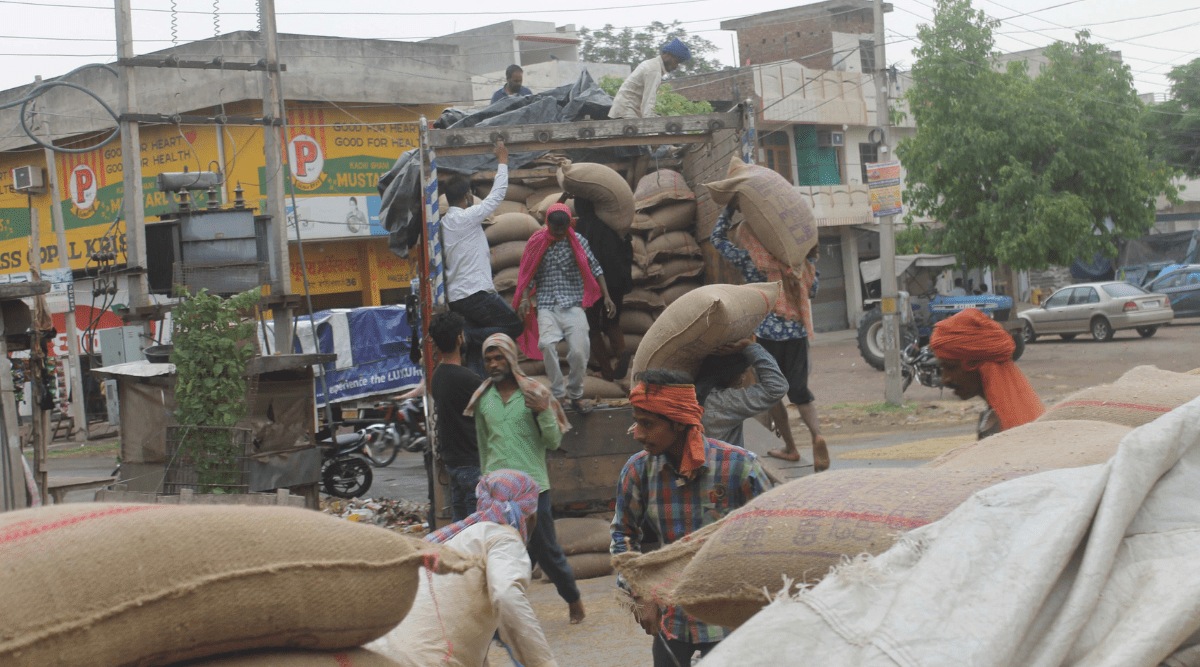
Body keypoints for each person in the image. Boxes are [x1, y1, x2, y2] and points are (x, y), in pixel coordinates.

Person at [611, 369, 768, 666]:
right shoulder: (637, 471)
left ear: (680, 423)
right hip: (673, 620)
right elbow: (623, 535)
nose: (638, 433)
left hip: (732, 619)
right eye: (636, 422)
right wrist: (641, 592)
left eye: (647, 423)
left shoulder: (740, 467)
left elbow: (771, 538)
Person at [371, 470, 558, 667]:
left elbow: (464, 628)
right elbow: (506, 595)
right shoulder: (504, 538)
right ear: (529, 515)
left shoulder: (453, 540)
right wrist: (543, 663)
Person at [465, 333, 586, 625]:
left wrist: (544, 411)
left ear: (511, 358)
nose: (493, 364)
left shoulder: (536, 394)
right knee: (499, 553)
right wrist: (485, 481)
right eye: (488, 359)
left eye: (499, 358)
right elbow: (484, 445)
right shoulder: (483, 399)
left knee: (546, 550)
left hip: (533, 488)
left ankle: (573, 598)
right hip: (497, 492)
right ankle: (503, 615)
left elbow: (554, 441)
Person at [710, 202, 829, 471]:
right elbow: (813, 292)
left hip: (767, 335)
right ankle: (817, 435)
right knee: (800, 392)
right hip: (796, 334)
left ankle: (790, 447)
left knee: (773, 392)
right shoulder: (798, 263)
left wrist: (730, 208)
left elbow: (716, 239)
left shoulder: (752, 261)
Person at [513, 203, 616, 415]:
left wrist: (606, 296)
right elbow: (528, 274)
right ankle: (559, 394)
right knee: (547, 345)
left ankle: (576, 395)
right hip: (547, 305)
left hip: (573, 305)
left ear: (569, 224)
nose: (559, 235)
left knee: (580, 351)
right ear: (547, 224)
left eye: (562, 230)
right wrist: (524, 298)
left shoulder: (579, 242)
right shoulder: (536, 242)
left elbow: (596, 268)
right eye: (555, 230)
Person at [442, 140, 523, 374]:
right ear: (467, 196)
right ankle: (467, 335)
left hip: (457, 297)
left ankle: (479, 385)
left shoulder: (446, 223)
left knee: (479, 350)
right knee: (513, 325)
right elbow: (496, 197)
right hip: (474, 293)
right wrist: (503, 162)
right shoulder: (465, 218)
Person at [929, 308, 1045, 439]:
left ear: (976, 364)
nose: (945, 379)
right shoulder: (1006, 416)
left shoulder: (1002, 427)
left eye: (950, 367)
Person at [428, 312, 484, 521]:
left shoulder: (438, 376)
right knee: (475, 526)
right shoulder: (468, 379)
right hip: (471, 461)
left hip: (453, 463)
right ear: (460, 338)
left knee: (460, 524)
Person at [572, 197, 634, 380]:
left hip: (594, 282)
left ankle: (606, 370)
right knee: (612, 321)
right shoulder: (613, 223)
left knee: (592, 327)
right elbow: (626, 248)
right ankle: (622, 353)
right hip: (617, 280)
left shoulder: (580, 227)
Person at [695, 339, 789, 449]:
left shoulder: (690, 393)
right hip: (724, 464)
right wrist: (751, 346)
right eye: (741, 374)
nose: (742, 378)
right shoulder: (725, 402)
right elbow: (777, 387)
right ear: (729, 375)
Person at [608, 38, 691, 120]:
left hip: (626, 109)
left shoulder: (653, 65)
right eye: (676, 62)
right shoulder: (654, 70)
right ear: (668, 55)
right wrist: (652, 122)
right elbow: (648, 101)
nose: (676, 66)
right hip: (626, 110)